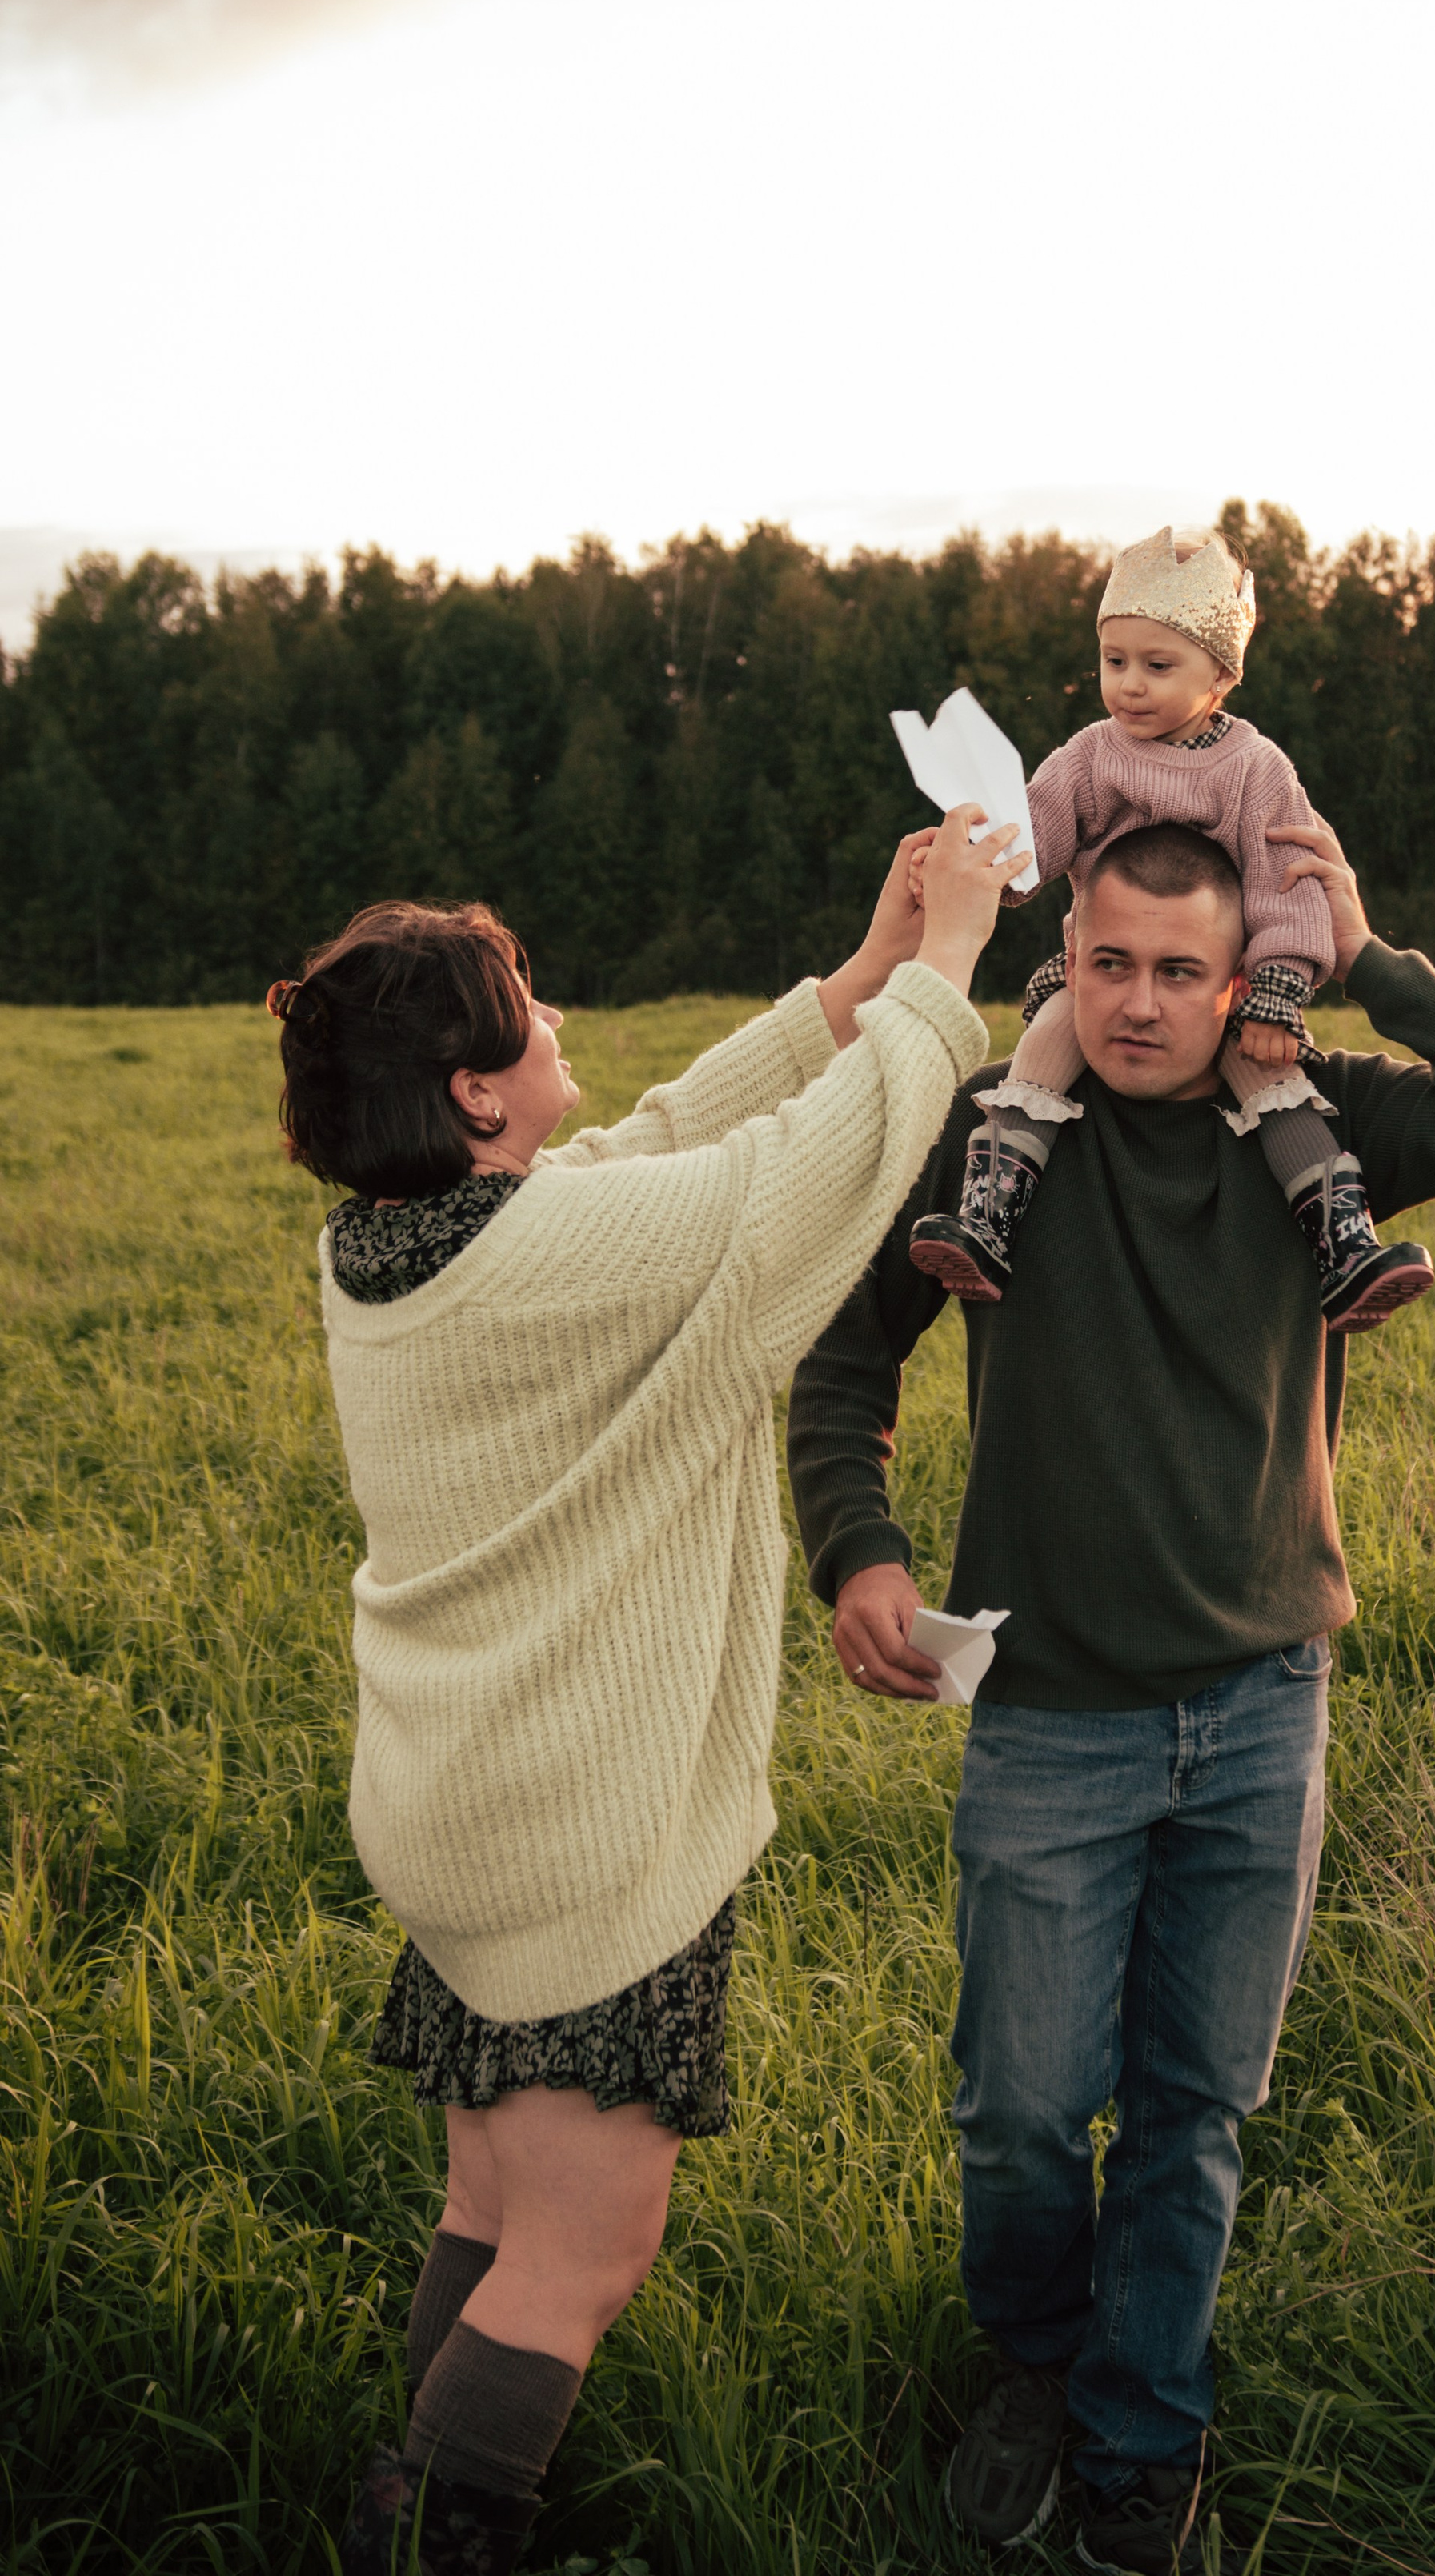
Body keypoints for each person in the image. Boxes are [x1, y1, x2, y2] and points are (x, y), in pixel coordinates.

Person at [788, 816, 1435, 2574]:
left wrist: (1367, 961)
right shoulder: (995, 1138)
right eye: (1106, 964)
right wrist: (855, 1549)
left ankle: (1138, 2433)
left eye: (1181, 969)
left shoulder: (1303, 1116)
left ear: (1240, 975)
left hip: (1258, 1707)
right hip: (1049, 1715)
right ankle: (1031, 2364)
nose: (1142, 1004)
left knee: (1191, 2105)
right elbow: (841, 1354)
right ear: (1059, 960)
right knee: (1017, 2107)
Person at [267, 805, 1021, 2576]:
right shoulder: (536, 1260)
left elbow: (654, 1150)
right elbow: (778, 1192)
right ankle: (440, 2540)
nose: (556, 1031)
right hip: (575, 1832)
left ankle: (408, 2477)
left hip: (463, 1813)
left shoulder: (403, 1246)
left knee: (490, 2199)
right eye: (525, 1012)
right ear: (470, 1090)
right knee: (584, 2251)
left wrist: (858, 972)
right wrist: (949, 969)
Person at [908, 521, 1433, 1332]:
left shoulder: (1254, 770)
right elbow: (1038, 835)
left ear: (1222, 675)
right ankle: (987, 1220)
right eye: (1114, 663)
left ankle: (1343, 1244)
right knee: (1045, 1051)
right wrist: (985, 863)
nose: (1130, 687)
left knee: (1275, 1085)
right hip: (1103, 969)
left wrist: (1279, 987)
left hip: (1230, 987)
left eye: (1159, 666)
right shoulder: (1089, 755)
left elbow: (1284, 879)